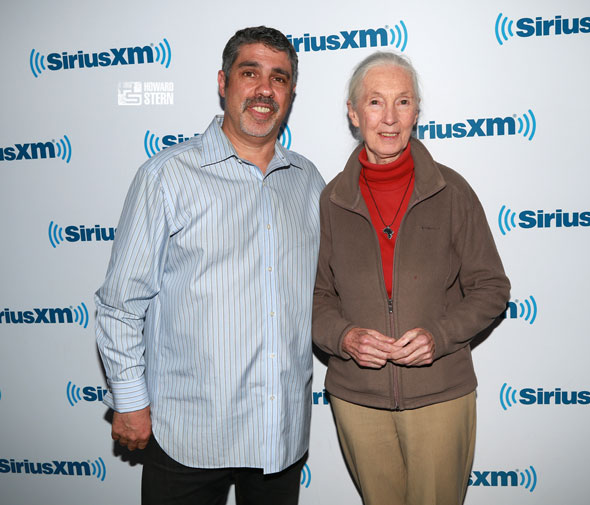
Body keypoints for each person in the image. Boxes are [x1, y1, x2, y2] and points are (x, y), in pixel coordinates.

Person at [95, 26, 325, 505]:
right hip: (188, 434)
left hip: (278, 434)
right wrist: (130, 401)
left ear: (291, 93)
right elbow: (121, 304)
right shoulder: (166, 176)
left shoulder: (307, 181)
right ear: (223, 82)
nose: (265, 89)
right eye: (250, 73)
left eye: (279, 78)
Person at [312, 51, 510, 505]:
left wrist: (439, 336)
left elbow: (492, 288)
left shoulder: (451, 191)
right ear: (353, 113)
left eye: (402, 102)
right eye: (375, 102)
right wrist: (344, 338)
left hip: (440, 394)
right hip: (357, 399)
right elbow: (316, 297)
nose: (389, 117)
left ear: (416, 113)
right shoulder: (330, 200)